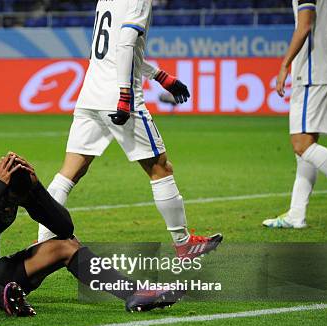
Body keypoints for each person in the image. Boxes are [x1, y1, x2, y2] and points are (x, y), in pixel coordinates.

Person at [37, 0, 222, 258]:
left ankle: (43, 243)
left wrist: (160, 76)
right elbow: (125, 45)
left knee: (68, 174)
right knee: (160, 168)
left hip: (90, 95)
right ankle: (184, 243)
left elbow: (115, 50)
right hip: (119, 97)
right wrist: (125, 95)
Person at [0, 152, 184, 316]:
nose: (8, 208)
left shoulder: (14, 186)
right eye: (6, 202)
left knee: (65, 245)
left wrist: (37, 193)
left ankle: (133, 293)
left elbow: (64, 228)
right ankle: (7, 302)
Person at [263, 0, 327, 229]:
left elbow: (305, 25)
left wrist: (284, 65)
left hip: (311, 74)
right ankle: (296, 215)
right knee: (307, 147)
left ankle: (296, 215)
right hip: (323, 70)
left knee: (301, 145)